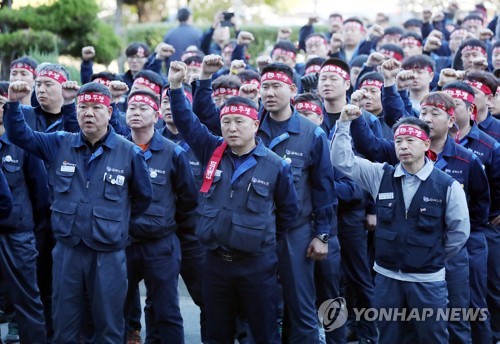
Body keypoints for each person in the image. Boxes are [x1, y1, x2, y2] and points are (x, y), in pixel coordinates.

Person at [4, 81, 152, 342]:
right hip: (67, 252)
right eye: (83, 107)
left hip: (108, 254)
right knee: (65, 325)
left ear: (110, 112)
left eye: (97, 107)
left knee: (108, 326)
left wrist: (114, 225)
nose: (89, 113)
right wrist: (14, 104)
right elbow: (21, 136)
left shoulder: (128, 152)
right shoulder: (60, 144)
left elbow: (142, 199)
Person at [168, 60, 299, 343]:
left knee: (263, 333)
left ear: (255, 125)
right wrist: (177, 86)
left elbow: (288, 214)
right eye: (226, 121)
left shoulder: (276, 165)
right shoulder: (212, 150)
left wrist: (258, 238)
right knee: (217, 333)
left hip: (257, 265)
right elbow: (186, 122)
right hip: (215, 263)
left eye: (239, 121)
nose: (231, 127)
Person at [331, 111, 470, 344]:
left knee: (432, 338)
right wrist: (344, 123)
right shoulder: (380, 175)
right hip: (387, 279)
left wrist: (430, 255)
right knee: (388, 337)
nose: (403, 146)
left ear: (426, 144)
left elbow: (459, 233)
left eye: (410, 140)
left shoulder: (447, 186)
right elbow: (342, 160)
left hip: (427, 280)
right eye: (398, 141)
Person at [123, 88, 198, 342]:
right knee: (116, 308)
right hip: (122, 242)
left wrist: (169, 225)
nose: (135, 113)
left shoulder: (173, 152)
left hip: (160, 243)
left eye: (143, 108)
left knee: (165, 311)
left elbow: (188, 198)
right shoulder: (117, 148)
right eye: (131, 108)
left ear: (156, 115)